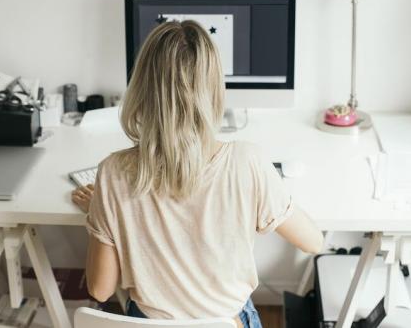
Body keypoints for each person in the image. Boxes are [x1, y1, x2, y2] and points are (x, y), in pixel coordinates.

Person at [71, 20, 323, 328]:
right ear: (214, 89)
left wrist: (99, 212)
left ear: (141, 87)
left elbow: (100, 289)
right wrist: (264, 195)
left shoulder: (112, 173)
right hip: (227, 322)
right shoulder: (247, 161)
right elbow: (314, 243)